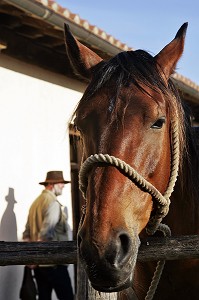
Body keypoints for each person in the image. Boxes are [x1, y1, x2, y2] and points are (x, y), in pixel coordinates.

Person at [22, 171, 74, 300]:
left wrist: (32, 258)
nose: (63, 185)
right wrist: (36, 258)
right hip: (54, 263)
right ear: (51, 184)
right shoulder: (53, 204)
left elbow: (26, 234)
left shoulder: (35, 203)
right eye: (61, 183)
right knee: (67, 298)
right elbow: (45, 234)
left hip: (40, 265)